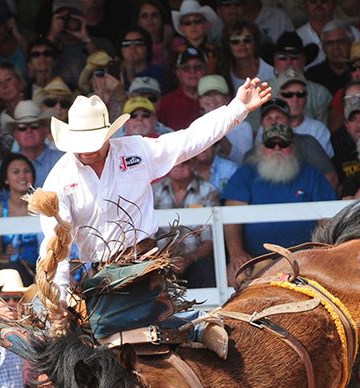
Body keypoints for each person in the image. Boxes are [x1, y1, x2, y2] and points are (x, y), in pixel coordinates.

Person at [38, 77, 271, 294]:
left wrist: (237, 108)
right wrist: (60, 298)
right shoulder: (59, 179)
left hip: (146, 262)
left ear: (108, 136)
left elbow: (189, 139)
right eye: (82, 143)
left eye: (94, 141)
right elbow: (55, 245)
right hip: (101, 273)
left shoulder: (137, 151)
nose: (88, 149)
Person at [222, 123, 335, 282]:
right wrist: (236, 252)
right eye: (270, 144)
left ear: (293, 147)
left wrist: (320, 251)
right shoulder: (246, 173)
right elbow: (231, 213)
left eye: (283, 144)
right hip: (257, 258)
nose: (277, 148)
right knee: (234, 276)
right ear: (262, 148)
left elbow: (327, 217)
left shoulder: (311, 174)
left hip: (304, 257)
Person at [153, 157, 220, 287]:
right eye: (174, 162)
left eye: (185, 162)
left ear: (193, 164)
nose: (179, 166)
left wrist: (190, 258)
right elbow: (147, 235)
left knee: (204, 267)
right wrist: (164, 258)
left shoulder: (209, 191)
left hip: (196, 258)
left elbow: (210, 240)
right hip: (159, 259)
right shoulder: (153, 192)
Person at [0, 154, 42, 279]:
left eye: (27, 171)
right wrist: (10, 257)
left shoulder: (43, 208)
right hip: (12, 274)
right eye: (16, 172)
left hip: (44, 270)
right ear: (6, 179)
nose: (22, 176)